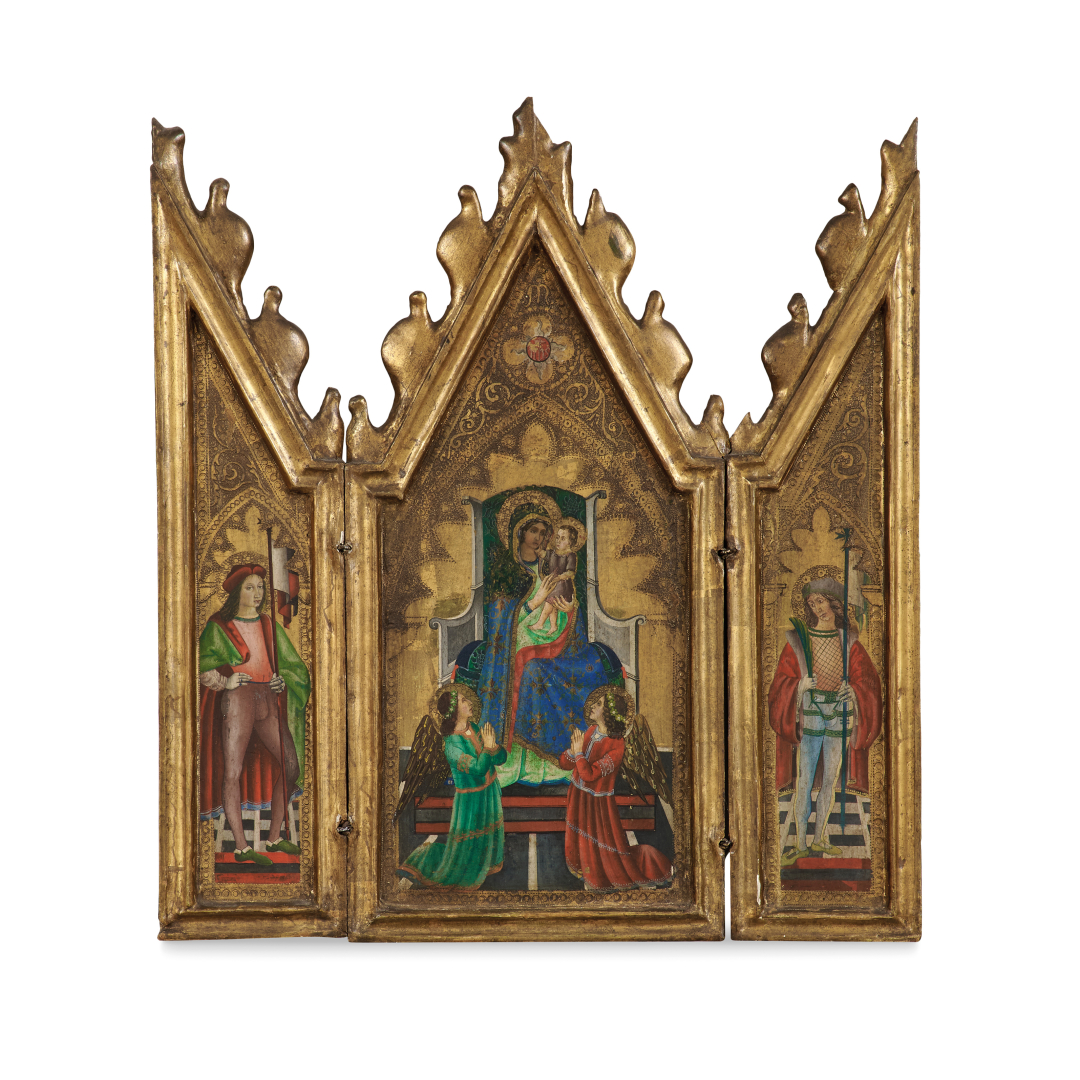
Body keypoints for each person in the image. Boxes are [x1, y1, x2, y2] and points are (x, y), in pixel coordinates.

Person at [199, 564, 310, 867]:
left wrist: (281, 680)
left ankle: (273, 838)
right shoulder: (220, 626)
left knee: (290, 765)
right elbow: (200, 664)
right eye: (250, 587)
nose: (257, 593)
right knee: (232, 771)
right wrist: (225, 681)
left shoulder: (267, 624)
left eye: (260, 587)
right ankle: (241, 846)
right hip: (239, 699)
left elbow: (288, 665)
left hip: (267, 698)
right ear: (237, 591)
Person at [768, 577, 881, 867]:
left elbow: (867, 679)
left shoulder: (848, 641)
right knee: (805, 781)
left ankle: (819, 837)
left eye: (820, 601)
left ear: (834, 604)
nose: (817, 608)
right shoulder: (798, 640)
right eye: (811, 603)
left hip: (840, 712)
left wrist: (853, 690)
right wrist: (799, 686)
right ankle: (800, 844)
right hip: (812, 710)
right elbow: (780, 682)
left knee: (830, 780)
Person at [559, 685, 673, 890]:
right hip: (579, 796)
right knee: (583, 839)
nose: (592, 706)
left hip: (597, 802)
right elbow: (565, 764)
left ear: (609, 713)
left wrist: (578, 754)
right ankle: (589, 871)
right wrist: (572, 753)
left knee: (600, 842)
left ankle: (601, 877)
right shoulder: (591, 731)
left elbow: (589, 775)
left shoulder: (616, 745)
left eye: (599, 704)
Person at [399, 685, 508, 889]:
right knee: (469, 842)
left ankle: (486, 863)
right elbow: (478, 768)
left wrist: (494, 747)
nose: (469, 703)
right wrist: (487, 747)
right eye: (463, 701)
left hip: (490, 791)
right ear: (454, 712)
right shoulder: (451, 745)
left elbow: (501, 759)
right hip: (471, 800)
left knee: (489, 833)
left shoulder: (474, 728)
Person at [536, 523, 581, 633]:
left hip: (563, 586)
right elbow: (543, 554)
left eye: (563, 538)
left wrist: (560, 577)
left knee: (549, 603)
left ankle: (540, 623)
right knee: (553, 606)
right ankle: (553, 626)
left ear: (570, 542)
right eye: (557, 537)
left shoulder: (570, 555)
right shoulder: (552, 553)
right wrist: (540, 547)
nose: (558, 540)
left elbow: (570, 572)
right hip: (554, 584)